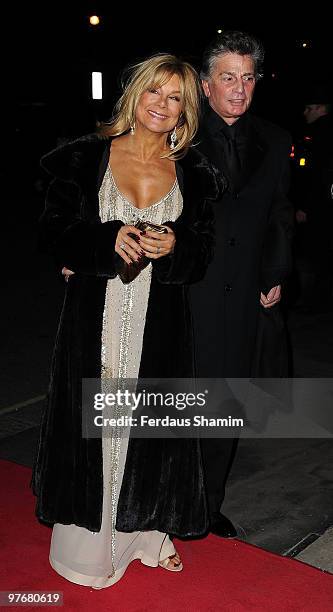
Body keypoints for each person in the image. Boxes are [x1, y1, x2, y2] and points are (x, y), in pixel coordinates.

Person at [30, 53, 224, 588]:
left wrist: (176, 244)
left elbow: (202, 252)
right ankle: (90, 549)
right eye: (153, 93)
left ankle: (144, 534)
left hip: (158, 319)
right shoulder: (83, 158)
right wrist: (101, 240)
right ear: (133, 96)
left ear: (187, 110)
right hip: (96, 313)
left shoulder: (197, 175)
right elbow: (52, 230)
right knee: (98, 424)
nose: (162, 105)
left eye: (176, 98)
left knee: (149, 428)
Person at [190, 31, 294, 537]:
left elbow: (278, 214)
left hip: (244, 299)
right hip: (184, 294)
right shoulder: (177, 135)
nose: (238, 88)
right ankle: (165, 502)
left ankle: (207, 505)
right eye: (227, 77)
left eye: (247, 78)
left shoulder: (275, 140)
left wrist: (274, 273)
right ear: (205, 85)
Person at [293, 84, 333, 309]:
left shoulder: (320, 134)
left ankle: (314, 301)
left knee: (313, 254)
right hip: (322, 204)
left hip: (318, 206)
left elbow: (316, 175)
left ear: (320, 108)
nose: (305, 113)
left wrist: (305, 206)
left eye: (309, 108)